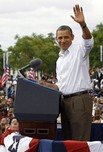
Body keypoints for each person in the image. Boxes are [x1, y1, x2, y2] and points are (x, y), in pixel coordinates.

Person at [38, 4, 93, 141]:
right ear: (56, 39)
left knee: (79, 142)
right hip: (64, 101)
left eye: (66, 37)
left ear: (72, 37)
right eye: (60, 38)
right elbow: (61, 85)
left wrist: (83, 25)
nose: (63, 40)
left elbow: (88, 41)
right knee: (68, 141)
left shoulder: (80, 50)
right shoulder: (60, 59)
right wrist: (46, 85)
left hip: (80, 100)